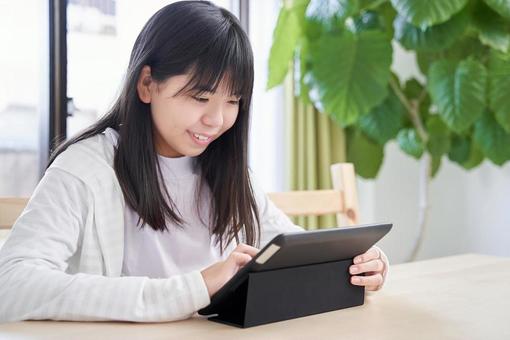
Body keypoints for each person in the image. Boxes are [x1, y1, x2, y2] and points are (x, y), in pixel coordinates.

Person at [0, 0, 388, 322]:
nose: (217, 120)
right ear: (147, 84)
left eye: (232, 101)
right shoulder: (86, 169)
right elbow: (11, 285)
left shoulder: (228, 170)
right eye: (200, 98)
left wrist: (355, 263)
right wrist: (194, 287)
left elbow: (290, 249)